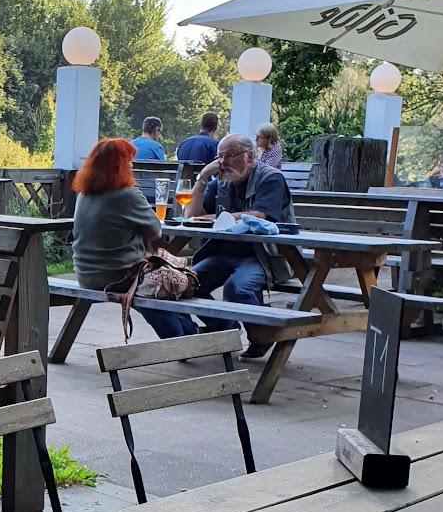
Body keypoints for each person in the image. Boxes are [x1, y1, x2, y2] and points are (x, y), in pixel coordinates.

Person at [71, 138, 196, 339]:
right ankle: (184, 336)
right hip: (118, 276)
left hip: (85, 274)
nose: (131, 165)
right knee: (179, 280)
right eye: (128, 161)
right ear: (119, 165)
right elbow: (156, 231)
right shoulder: (126, 195)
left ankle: (188, 333)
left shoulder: (84, 194)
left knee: (163, 279)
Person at [184, 132, 295, 357]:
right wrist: (202, 178)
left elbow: (259, 216)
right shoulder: (220, 180)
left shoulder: (271, 178)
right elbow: (192, 215)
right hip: (223, 253)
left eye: (230, 155)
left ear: (250, 157)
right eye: (219, 156)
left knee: (237, 288)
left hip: (263, 256)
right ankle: (226, 328)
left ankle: (261, 336)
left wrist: (216, 218)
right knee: (185, 284)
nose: (222, 162)